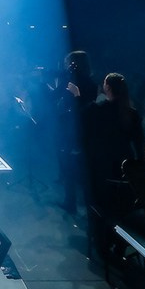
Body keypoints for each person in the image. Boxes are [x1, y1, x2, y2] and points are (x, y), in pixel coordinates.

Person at [81, 73, 145, 257]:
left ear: (107, 88)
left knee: (99, 204)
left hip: (102, 167)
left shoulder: (97, 109)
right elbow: (140, 146)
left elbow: (86, 137)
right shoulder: (132, 114)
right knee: (122, 208)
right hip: (124, 167)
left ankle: (101, 243)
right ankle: (120, 243)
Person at [55, 50, 98, 213]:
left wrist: (75, 95)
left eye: (69, 63)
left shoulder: (83, 83)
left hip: (76, 128)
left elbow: (84, 106)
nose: (67, 66)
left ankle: (73, 202)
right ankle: (72, 200)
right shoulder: (86, 81)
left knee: (72, 165)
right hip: (76, 127)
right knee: (72, 165)